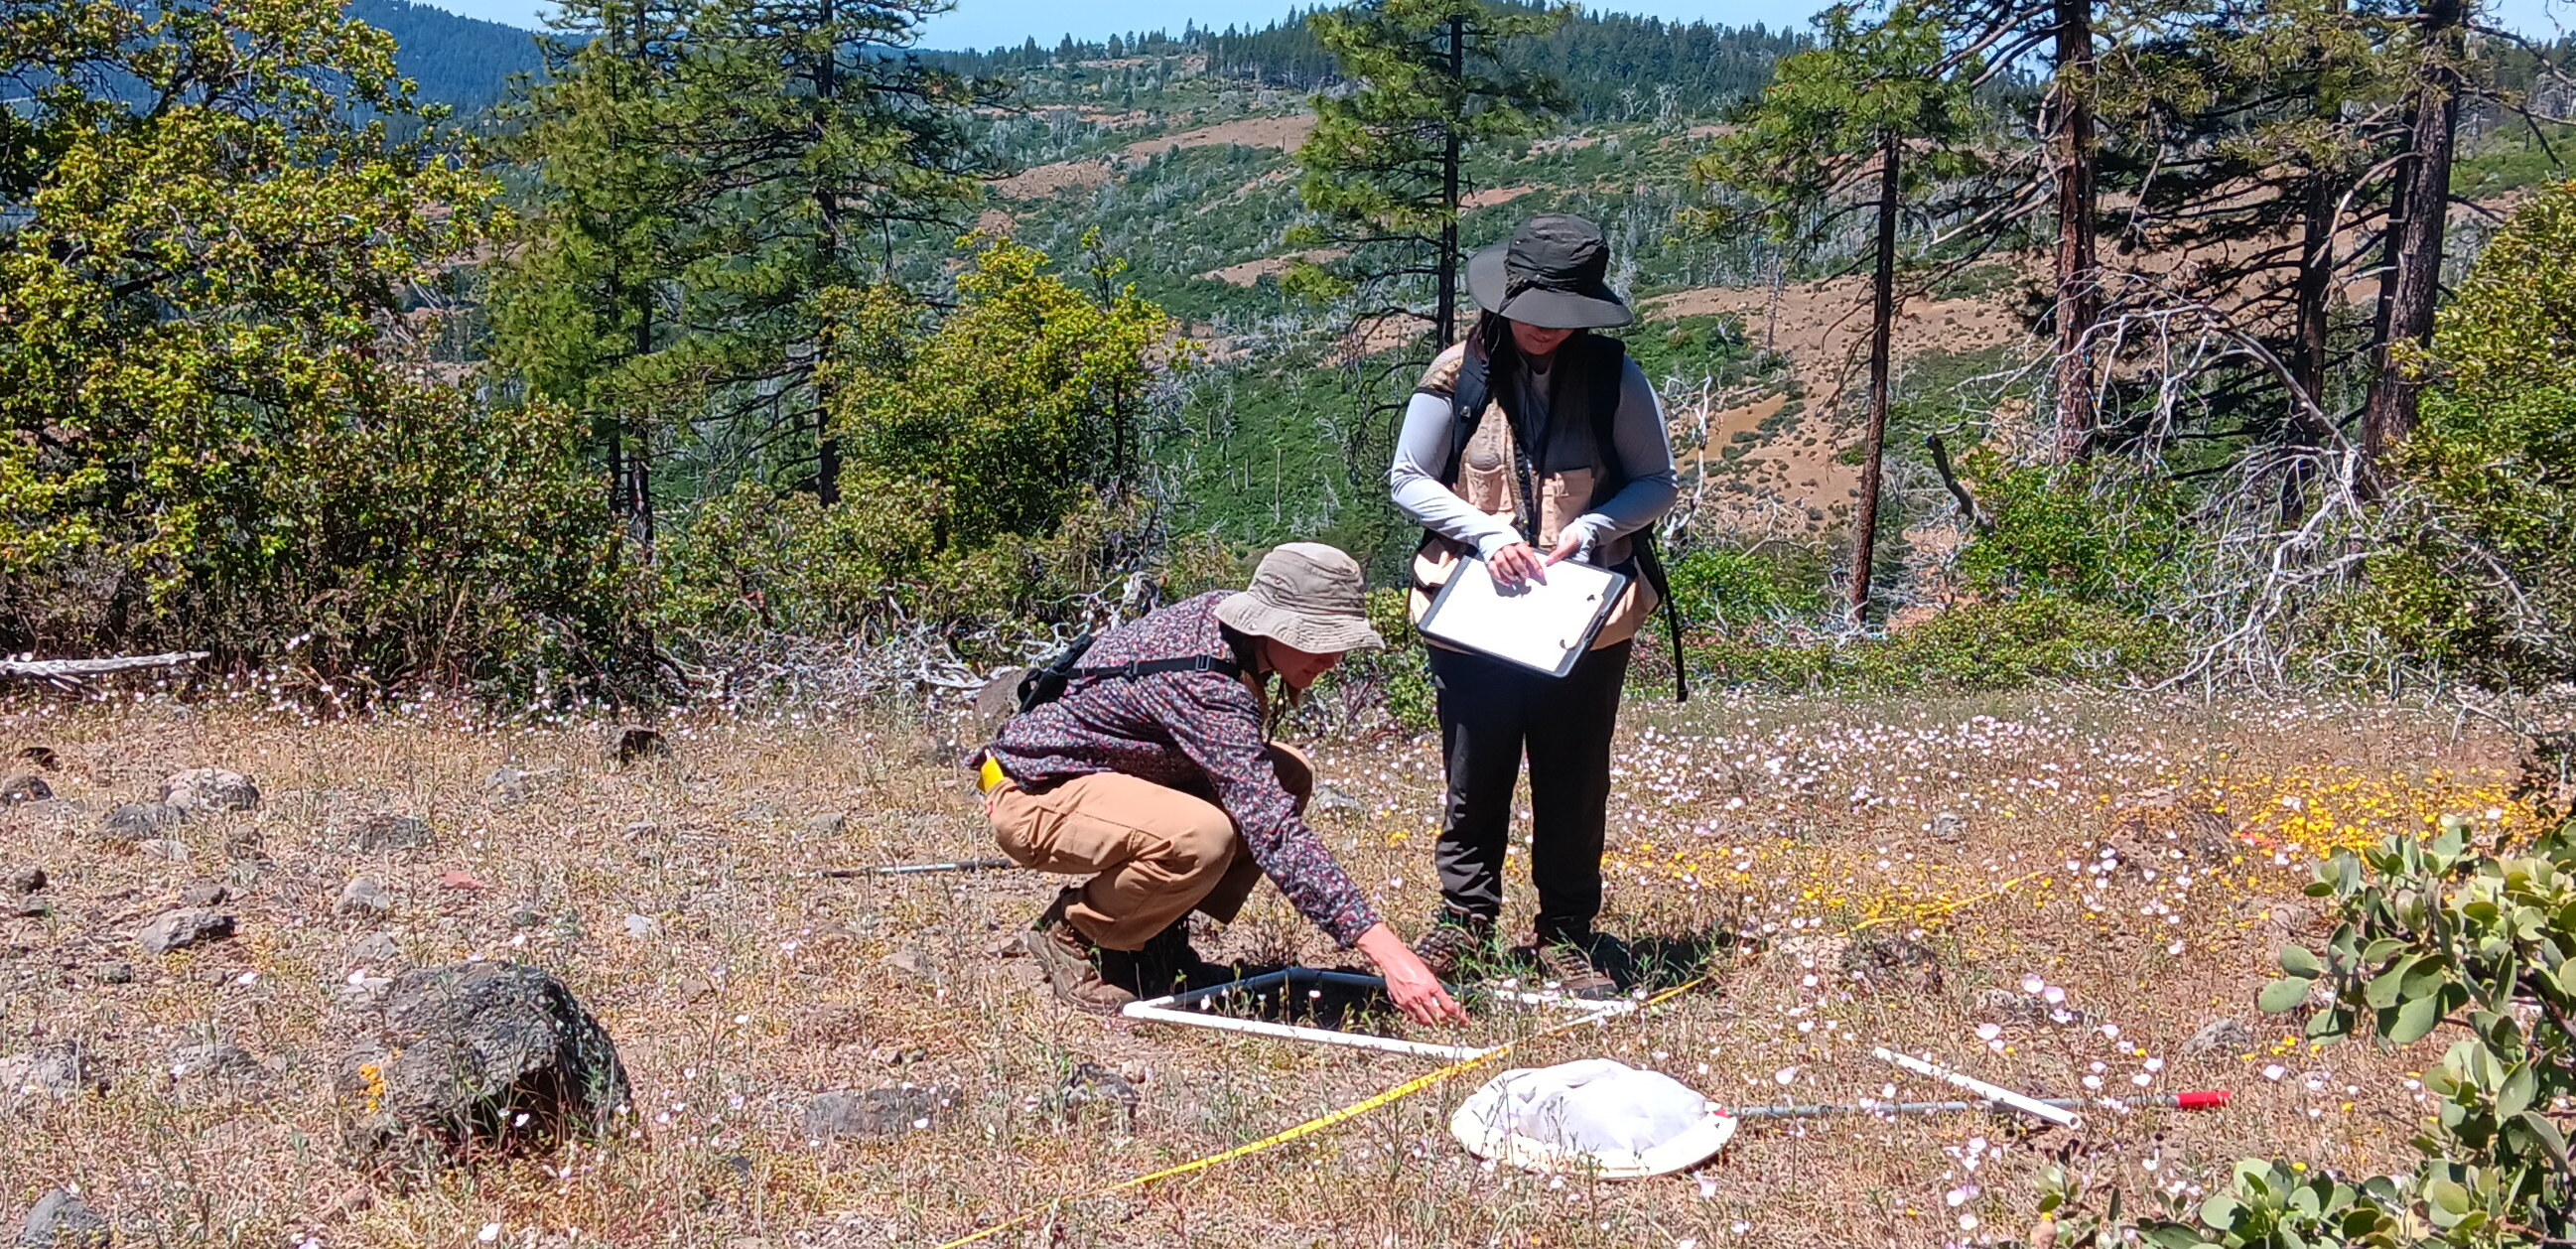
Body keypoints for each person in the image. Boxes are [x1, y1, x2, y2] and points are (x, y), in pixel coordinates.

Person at [975, 542, 1467, 1027]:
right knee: (1201, 838)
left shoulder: (1230, 630)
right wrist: (1389, 953)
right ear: (1272, 623)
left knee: (1288, 774)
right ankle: (1073, 933)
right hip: (1035, 793)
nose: (1334, 658)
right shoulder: (1208, 680)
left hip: (1107, 774)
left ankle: (1156, 938)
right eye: (1320, 638)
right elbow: (1273, 831)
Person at [1387, 214, 1680, 999]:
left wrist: (1592, 527)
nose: (1546, 330)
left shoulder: (1615, 376)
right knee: (1472, 770)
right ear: (1505, 296)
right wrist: (1484, 534)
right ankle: (1462, 921)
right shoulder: (1457, 373)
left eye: (1564, 315)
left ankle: (1567, 933)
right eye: (1534, 311)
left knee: (1574, 775)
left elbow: (1656, 482)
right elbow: (1408, 477)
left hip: (1584, 618)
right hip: (1471, 610)